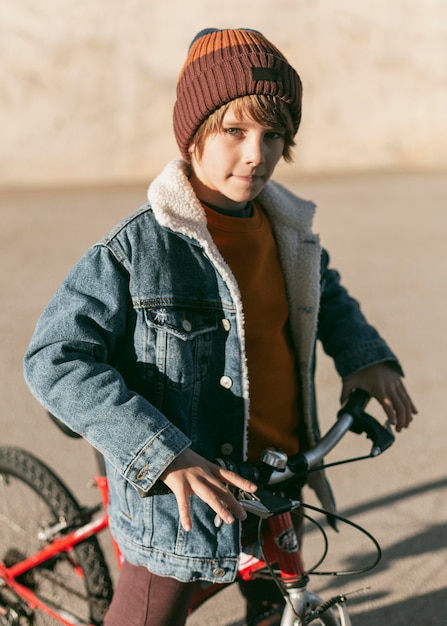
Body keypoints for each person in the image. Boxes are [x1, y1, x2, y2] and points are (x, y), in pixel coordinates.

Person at [23, 28, 417, 626]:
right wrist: (165, 455)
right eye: (235, 131)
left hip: (278, 475)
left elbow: (323, 296)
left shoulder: (286, 229)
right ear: (194, 134)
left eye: (273, 134)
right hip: (180, 499)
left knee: (277, 601)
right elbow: (53, 357)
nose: (257, 154)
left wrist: (365, 354)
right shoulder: (139, 248)